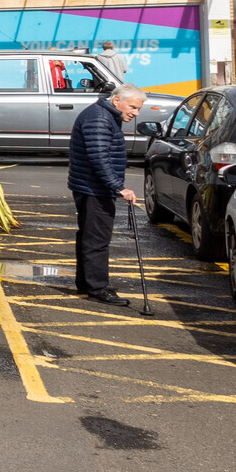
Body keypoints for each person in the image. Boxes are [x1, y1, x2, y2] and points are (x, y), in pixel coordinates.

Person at [68, 82, 145, 305]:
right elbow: (99, 157)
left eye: (138, 109)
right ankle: (98, 288)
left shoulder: (104, 115)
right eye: (132, 107)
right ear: (116, 100)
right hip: (94, 188)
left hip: (90, 186)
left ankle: (87, 282)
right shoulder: (99, 118)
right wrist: (118, 187)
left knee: (89, 236)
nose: (135, 113)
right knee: (97, 238)